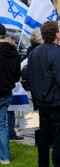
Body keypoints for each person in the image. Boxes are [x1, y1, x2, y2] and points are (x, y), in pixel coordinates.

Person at [28, 20, 60, 167]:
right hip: (56, 104)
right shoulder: (55, 53)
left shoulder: (35, 52)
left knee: (43, 137)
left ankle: (43, 164)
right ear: (57, 34)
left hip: (42, 102)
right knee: (58, 139)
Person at [0, 24, 20, 165]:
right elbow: (16, 75)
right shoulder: (13, 52)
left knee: (2, 124)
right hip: (7, 92)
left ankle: (5, 155)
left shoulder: (12, 52)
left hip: (5, 91)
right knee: (2, 124)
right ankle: (5, 157)